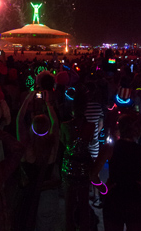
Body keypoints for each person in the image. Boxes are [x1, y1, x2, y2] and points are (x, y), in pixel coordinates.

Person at [91, 114, 141, 231]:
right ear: (137, 130)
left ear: (120, 129)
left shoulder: (109, 149)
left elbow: (92, 175)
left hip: (114, 199)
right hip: (135, 200)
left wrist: (104, 189)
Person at [15, 90, 60, 231]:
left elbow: (19, 121)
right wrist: (48, 104)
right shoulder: (52, 146)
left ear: (32, 128)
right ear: (48, 128)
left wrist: (27, 99)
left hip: (29, 193)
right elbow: (56, 124)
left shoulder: (26, 147)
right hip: (47, 195)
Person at [60, 88, 95, 231]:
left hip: (69, 164)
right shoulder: (91, 126)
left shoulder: (65, 126)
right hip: (84, 165)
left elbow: (64, 144)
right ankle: (84, 227)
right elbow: (90, 142)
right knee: (83, 202)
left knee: (69, 203)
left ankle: (70, 227)